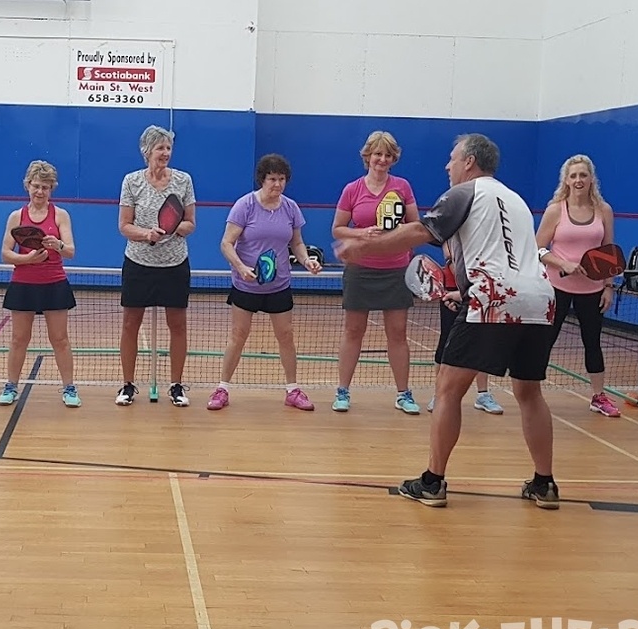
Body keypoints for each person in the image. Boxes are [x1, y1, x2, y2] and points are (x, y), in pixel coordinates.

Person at [334, 134, 560, 509]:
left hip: (494, 300)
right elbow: (507, 257)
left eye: (452, 159)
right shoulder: (516, 199)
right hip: (539, 302)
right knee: (529, 393)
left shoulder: (464, 193)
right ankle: (544, 483)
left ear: (469, 161)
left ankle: (433, 482)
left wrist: (363, 246)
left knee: (448, 389)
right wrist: (465, 292)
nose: (447, 166)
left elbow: (420, 231)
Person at [207, 154, 322, 411]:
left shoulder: (290, 208)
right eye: (272, 179)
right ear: (262, 179)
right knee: (238, 335)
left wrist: (307, 260)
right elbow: (226, 243)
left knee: (286, 336)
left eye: (281, 179)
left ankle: (293, 390)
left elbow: (297, 243)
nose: (277, 184)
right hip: (246, 283)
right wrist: (240, 267)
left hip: (279, 284)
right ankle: (222, 388)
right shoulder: (245, 206)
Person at [331, 130, 421, 415]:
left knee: (397, 333)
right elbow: (337, 229)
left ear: (393, 158)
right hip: (360, 270)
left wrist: (396, 237)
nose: (382, 159)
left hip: (396, 269)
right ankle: (343, 392)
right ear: (367, 156)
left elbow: (415, 226)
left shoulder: (403, 187)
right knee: (353, 330)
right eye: (377, 154)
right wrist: (361, 233)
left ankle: (403, 394)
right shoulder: (352, 189)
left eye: (387, 155)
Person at [117, 125, 197, 407]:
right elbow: (124, 226)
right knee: (130, 324)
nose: (165, 153)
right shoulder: (131, 181)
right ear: (146, 151)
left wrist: (173, 229)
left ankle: (176, 385)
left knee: (177, 325)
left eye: (168, 148)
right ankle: (127, 385)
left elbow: (190, 223)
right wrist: (146, 234)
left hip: (175, 263)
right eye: (160, 148)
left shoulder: (184, 180)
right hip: (139, 263)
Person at [536, 154, 620, 417]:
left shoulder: (604, 210)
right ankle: (532, 393)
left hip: (591, 290)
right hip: (555, 288)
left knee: (592, 342)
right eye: (573, 176)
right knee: (545, 340)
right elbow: (536, 249)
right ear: (566, 181)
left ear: (591, 178)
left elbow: (608, 251)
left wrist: (608, 286)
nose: (578, 180)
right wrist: (563, 264)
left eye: (583, 175)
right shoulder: (555, 210)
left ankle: (599, 396)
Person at [0, 160, 80, 408]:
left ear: (51, 188)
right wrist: (27, 259)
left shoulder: (60, 215)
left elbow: (71, 252)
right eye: (36, 186)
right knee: (19, 339)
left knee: (60, 339)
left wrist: (58, 245)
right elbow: (5, 254)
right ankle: (11, 386)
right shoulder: (16, 217)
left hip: (54, 283)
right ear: (27, 186)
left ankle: (69, 388)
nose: (40, 192)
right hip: (23, 283)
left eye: (45, 187)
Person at [426, 242, 504, 415]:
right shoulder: (452, 231)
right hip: (454, 287)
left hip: (481, 289)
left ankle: (483, 395)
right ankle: (439, 395)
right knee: (446, 341)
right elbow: (451, 259)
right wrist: (466, 288)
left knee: (482, 341)